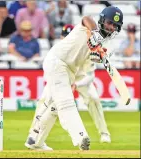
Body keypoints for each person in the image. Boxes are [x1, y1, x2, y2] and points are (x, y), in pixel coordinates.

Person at [24, 6, 123, 150]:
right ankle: (80, 137)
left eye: (115, 26)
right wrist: (94, 35)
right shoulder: (89, 24)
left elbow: (96, 57)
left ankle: (35, 141)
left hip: (71, 72)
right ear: (102, 20)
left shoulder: (109, 45)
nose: (111, 27)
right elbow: (86, 19)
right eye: (109, 23)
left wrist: (99, 52)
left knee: (55, 107)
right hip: (57, 61)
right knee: (66, 102)